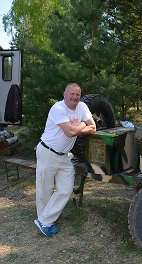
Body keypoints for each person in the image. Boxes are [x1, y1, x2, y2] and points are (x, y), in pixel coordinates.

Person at [34, 83, 96, 236]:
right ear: (64, 94)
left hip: (65, 155)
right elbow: (69, 132)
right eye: (72, 94)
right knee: (45, 189)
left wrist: (77, 127)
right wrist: (82, 124)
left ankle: (43, 219)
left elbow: (93, 127)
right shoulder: (58, 108)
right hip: (48, 152)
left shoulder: (82, 107)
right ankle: (46, 221)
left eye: (77, 94)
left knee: (66, 190)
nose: (75, 97)